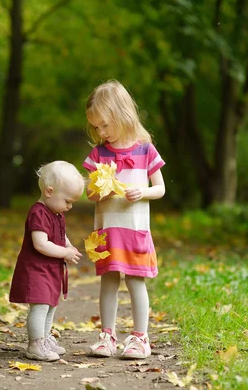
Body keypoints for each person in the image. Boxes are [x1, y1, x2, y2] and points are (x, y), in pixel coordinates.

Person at [82, 79, 165, 359]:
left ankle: (141, 337)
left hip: (134, 230)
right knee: (108, 281)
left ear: (123, 115)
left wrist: (142, 192)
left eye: (105, 125)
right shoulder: (99, 154)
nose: (101, 132)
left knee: (135, 282)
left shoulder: (145, 150)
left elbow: (160, 188)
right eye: (96, 127)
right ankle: (107, 335)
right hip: (109, 231)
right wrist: (99, 191)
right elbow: (89, 191)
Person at [9, 160, 85, 361]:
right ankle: (35, 344)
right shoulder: (38, 213)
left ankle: (44, 337)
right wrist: (64, 253)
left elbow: (61, 235)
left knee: (51, 304)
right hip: (36, 269)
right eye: (68, 201)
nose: (69, 206)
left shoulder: (57, 212)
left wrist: (68, 246)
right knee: (40, 306)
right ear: (50, 192)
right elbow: (40, 244)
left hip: (50, 269)